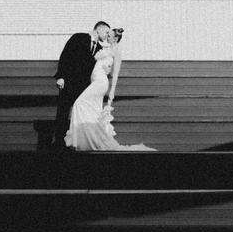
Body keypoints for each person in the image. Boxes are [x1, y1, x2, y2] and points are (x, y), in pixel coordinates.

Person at [65, 28, 157, 151]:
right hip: (95, 80)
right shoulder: (105, 48)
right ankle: (91, 140)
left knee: (79, 103)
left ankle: (82, 140)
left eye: (109, 35)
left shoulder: (116, 51)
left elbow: (115, 73)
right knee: (94, 112)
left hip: (100, 82)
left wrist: (112, 91)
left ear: (115, 38)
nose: (107, 37)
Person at [53, 20, 111, 150]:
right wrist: (60, 76)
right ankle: (59, 144)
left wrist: (107, 69)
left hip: (84, 87)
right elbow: (65, 56)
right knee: (63, 112)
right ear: (98, 29)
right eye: (106, 32)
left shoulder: (100, 49)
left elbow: (98, 68)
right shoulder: (78, 38)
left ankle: (78, 142)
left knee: (81, 113)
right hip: (69, 82)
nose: (107, 35)